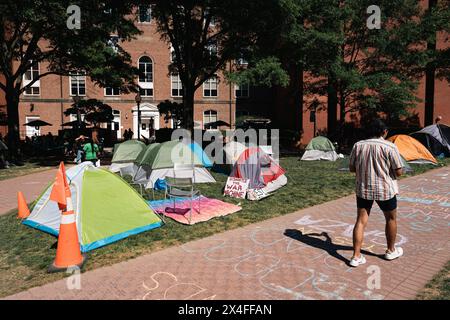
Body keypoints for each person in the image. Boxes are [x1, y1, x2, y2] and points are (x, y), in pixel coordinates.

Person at [348, 119, 404, 267]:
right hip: (385, 189)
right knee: (391, 219)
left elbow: (352, 168)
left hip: (364, 188)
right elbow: (399, 172)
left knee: (360, 220)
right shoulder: (390, 146)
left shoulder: (358, 145)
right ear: (384, 132)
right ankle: (391, 250)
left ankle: (356, 256)